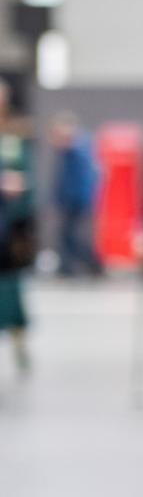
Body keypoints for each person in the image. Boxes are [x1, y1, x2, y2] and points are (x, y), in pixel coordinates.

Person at [0, 81, 33, 374]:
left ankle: (19, 342)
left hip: (9, 228)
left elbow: (27, 180)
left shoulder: (14, 138)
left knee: (11, 289)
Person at [49, 113, 102, 278]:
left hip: (76, 201)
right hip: (72, 200)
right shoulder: (75, 150)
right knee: (68, 235)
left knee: (70, 236)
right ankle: (74, 266)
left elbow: (82, 180)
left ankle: (88, 264)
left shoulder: (77, 151)